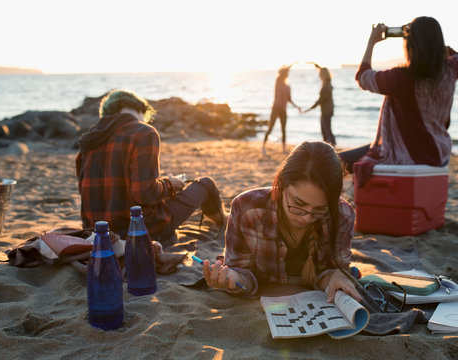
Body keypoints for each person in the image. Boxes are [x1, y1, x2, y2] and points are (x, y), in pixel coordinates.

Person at [202, 141, 361, 303]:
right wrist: (233, 279)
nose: (306, 217)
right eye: (298, 204)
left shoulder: (342, 214)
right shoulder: (246, 209)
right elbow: (243, 273)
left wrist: (337, 277)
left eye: (320, 209)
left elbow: (333, 270)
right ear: (282, 184)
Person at [75, 89, 227, 248]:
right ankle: (223, 219)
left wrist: (162, 184)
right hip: (140, 230)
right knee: (205, 183)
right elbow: (144, 194)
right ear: (140, 109)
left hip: (99, 233)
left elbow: (86, 192)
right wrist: (170, 184)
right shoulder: (143, 132)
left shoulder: (88, 140)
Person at [339, 17, 458, 178]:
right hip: (439, 154)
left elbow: (362, 77)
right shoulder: (450, 70)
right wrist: (432, 42)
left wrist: (372, 41)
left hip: (406, 155)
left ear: (411, 44)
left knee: (333, 163)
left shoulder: (403, 78)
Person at [261, 65, 302, 155]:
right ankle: (263, 147)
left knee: (283, 130)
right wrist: (292, 64)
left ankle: (283, 149)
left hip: (283, 110)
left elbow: (290, 100)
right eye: (286, 72)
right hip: (275, 109)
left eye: (287, 73)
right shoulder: (278, 82)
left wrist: (297, 107)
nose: (287, 74)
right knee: (270, 128)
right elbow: (282, 73)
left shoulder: (288, 87)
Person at [304, 66, 336, 146]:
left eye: (320, 74)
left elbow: (320, 101)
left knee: (326, 131)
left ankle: (332, 146)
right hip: (328, 110)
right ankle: (329, 147)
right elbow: (322, 69)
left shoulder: (326, 86)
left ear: (323, 75)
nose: (319, 76)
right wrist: (313, 64)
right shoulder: (328, 82)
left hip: (326, 111)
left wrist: (309, 109)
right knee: (326, 130)